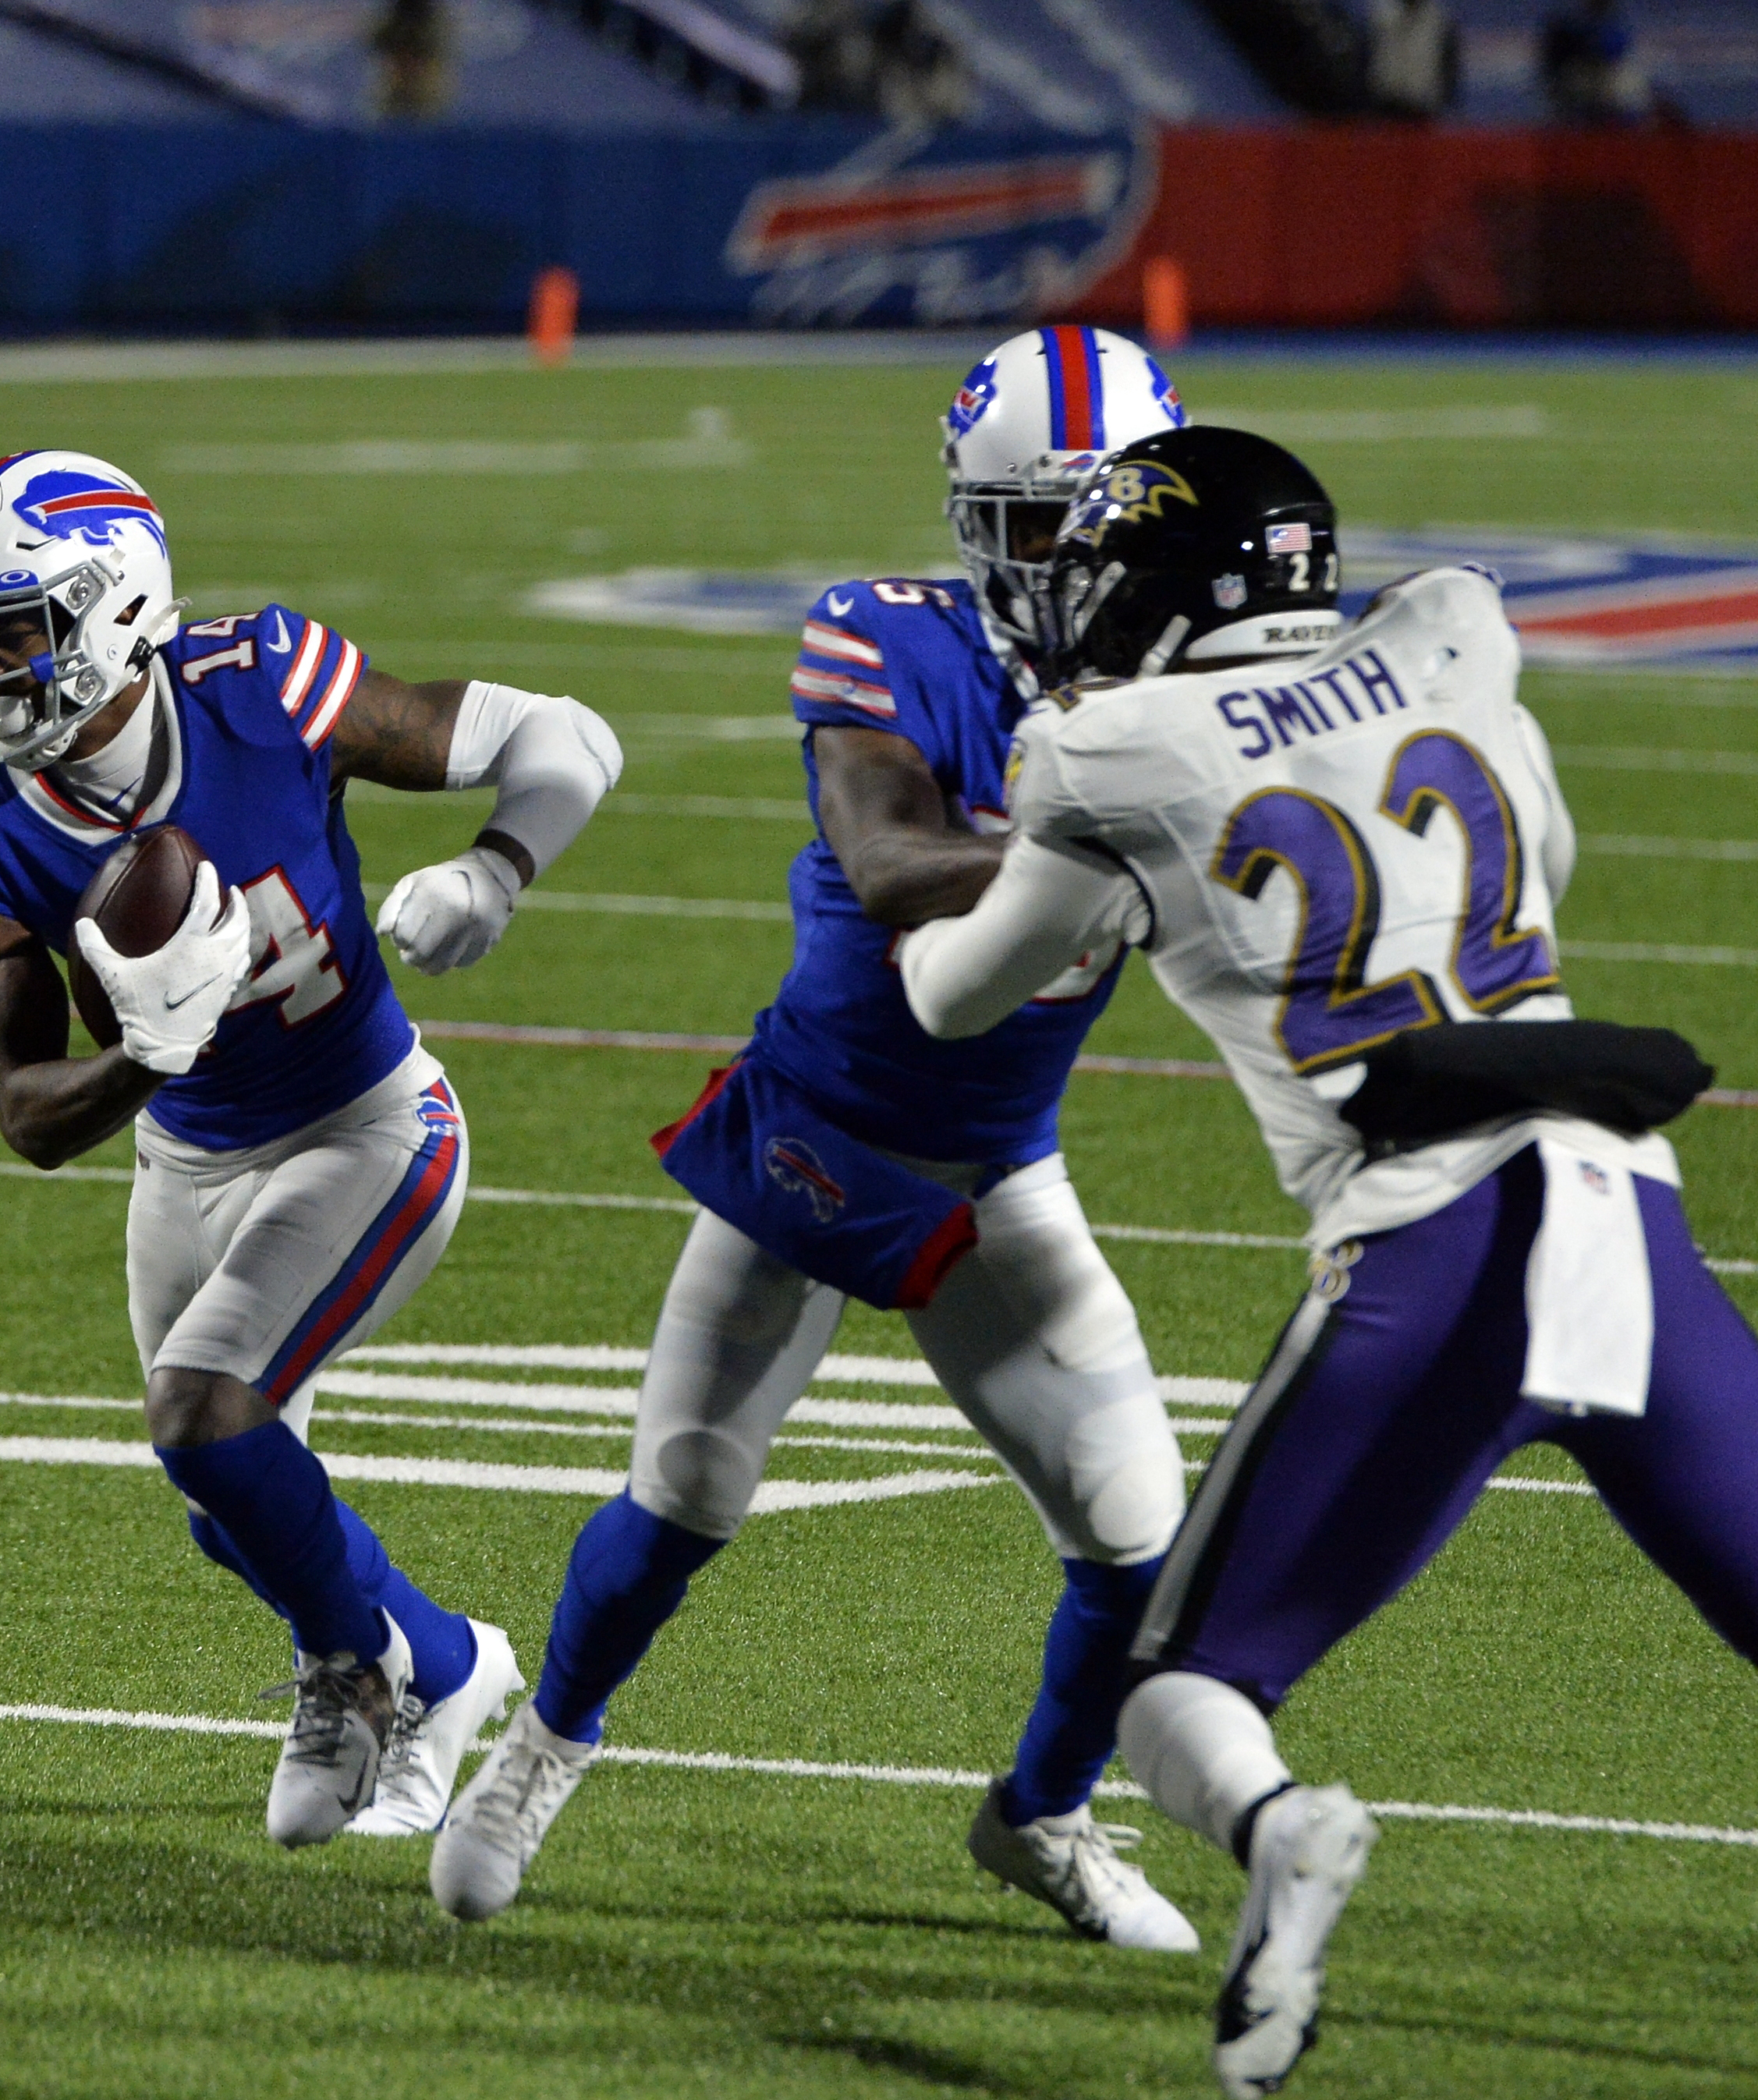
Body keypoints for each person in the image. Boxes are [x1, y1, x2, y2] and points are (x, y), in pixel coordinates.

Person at [894, 424, 1758, 2097]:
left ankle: (1286, 1826)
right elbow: (1544, 856)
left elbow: (953, 994)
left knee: (1180, 1690)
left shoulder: (1106, 751)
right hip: (1623, 1205)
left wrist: (931, 901)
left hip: (1426, 1233)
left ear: (1170, 582)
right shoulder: (1451, 637)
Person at [429, 328, 1198, 1953]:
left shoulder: (1201, 694)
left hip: (1000, 1177)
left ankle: (1041, 1812)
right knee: (689, 1486)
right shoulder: (888, 634)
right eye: (1033, 525)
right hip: (819, 1144)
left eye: (1096, 525)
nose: (1065, 563)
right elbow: (885, 854)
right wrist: (1097, 844)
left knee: (1141, 1541)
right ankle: (545, 1737)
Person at [0, 450, 622, 1842]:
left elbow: (566, 734)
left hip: (366, 1122)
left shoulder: (262, 682)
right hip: (180, 1156)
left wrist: (494, 869)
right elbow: (29, 1117)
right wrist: (141, 1053)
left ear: (115, 611)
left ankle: (359, 1667)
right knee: (225, 1502)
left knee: (203, 1414)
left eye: (10, 629)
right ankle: (440, 1660)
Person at [1368, 0, 1460, 119]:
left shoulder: (1439, 20)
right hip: (1385, 103)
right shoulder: (1380, 16)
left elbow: (1449, 65)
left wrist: (1443, 99)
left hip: (1424, 105)